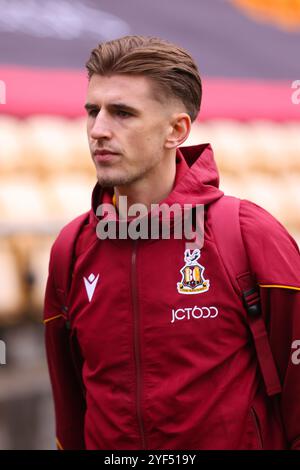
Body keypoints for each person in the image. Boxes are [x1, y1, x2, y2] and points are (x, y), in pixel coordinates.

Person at [43, 35, 300, 450]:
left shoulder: (249, 234)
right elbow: (70, 416)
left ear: (176, 130)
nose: (98, 130)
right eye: (93, 111)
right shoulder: (70, 249)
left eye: (122, 113)